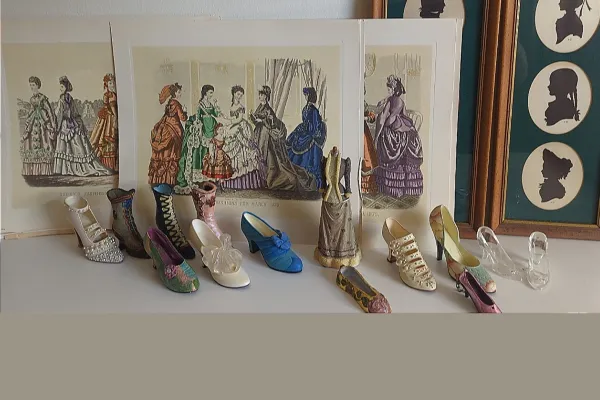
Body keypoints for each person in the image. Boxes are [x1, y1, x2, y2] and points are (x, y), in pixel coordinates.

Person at [250, 85, 317, 192]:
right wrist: (253, 118)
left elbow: (272, 124)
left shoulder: (268, 109)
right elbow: (258, 121)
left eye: (262, 94)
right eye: (259, 94)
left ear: (266, 96)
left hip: (267, 138)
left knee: (271, 161)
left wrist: (262, 121)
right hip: (260, 134)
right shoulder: (260, 106)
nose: (260, 96)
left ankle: (276, 179)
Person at [372, 75, 424, 198]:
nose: (388, 90)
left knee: (383, 138)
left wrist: (377, 135)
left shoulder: (390, 101)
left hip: (392, 133)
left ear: (394, 89)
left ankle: (391, 190)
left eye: (389, 89)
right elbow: (406, 116)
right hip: (405, 133)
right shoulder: (400, 101)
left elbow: (383, 117)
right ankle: (404, 189)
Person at [53, 76, 113, 177]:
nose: (60, 88)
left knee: (68, 146)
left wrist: (56, 126)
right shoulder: (69, 97)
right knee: (73, 146)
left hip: (65, 124)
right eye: (60, 87)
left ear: (66, 87)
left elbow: (60, 113)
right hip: (71, 123)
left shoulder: (63, 98)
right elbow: (73, 112)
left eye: (62, 86)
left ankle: (67, 169)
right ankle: (69, 169)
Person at [221, 85, 266, 190]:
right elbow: (233, 118)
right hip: (233, 127)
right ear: (233, 94)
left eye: (241, 95)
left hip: (241, 128)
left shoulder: (241, 107)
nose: (239, 96)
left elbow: (238, 120)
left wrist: (228, 122)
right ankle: (232, 181)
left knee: (244, 151)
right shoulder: (232, 105)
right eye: (238, 94)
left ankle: (247, 182)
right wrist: (226, 120)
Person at [286, 87, 327, 188]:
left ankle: (310, 181)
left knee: (306, 148)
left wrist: (306, 130)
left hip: (311, 134)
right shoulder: (306, 108)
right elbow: (305, 122)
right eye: (305, 95)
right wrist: (302, 128)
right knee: (293, 139)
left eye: (306, 95)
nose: (305, 96)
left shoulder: (314, 110)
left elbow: (314, 126)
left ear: (310, 96)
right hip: (305, 130)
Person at [148, 83, 187, 186]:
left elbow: (167, 115)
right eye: (179, 92)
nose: (180, 94)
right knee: (172, 152)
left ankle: (160, 179)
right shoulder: (177, 104)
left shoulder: (170, 102)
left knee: (165, 153)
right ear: (175, 93)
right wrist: (185, 112)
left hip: (165, 127)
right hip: (174, 130)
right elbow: (183, 118)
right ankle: (170, 180)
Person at [20, 76, 57, 176]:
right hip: (33, 121)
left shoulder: (43, 98)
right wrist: (28, 118)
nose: (32, 87)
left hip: (42, 122)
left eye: (33, 85)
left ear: (37, 85)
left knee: (44, 142)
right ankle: (34, 171)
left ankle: (44, 171)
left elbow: (49, 111)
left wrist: (52, 124)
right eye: (30, 85)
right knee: (31, 143)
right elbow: (31, 110)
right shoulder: (32, 99)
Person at [90, 73, 119, 171]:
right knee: (107, 139)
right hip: (109, 118)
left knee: (105, 140)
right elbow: (112, 108)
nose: (112, 85)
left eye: (113, 83)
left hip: (107, 117)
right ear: (106, 84)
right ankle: (108, 165)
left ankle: (109, 164)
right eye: (110, 83)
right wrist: (115, 118)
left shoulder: (109, 94)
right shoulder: (110, 95)